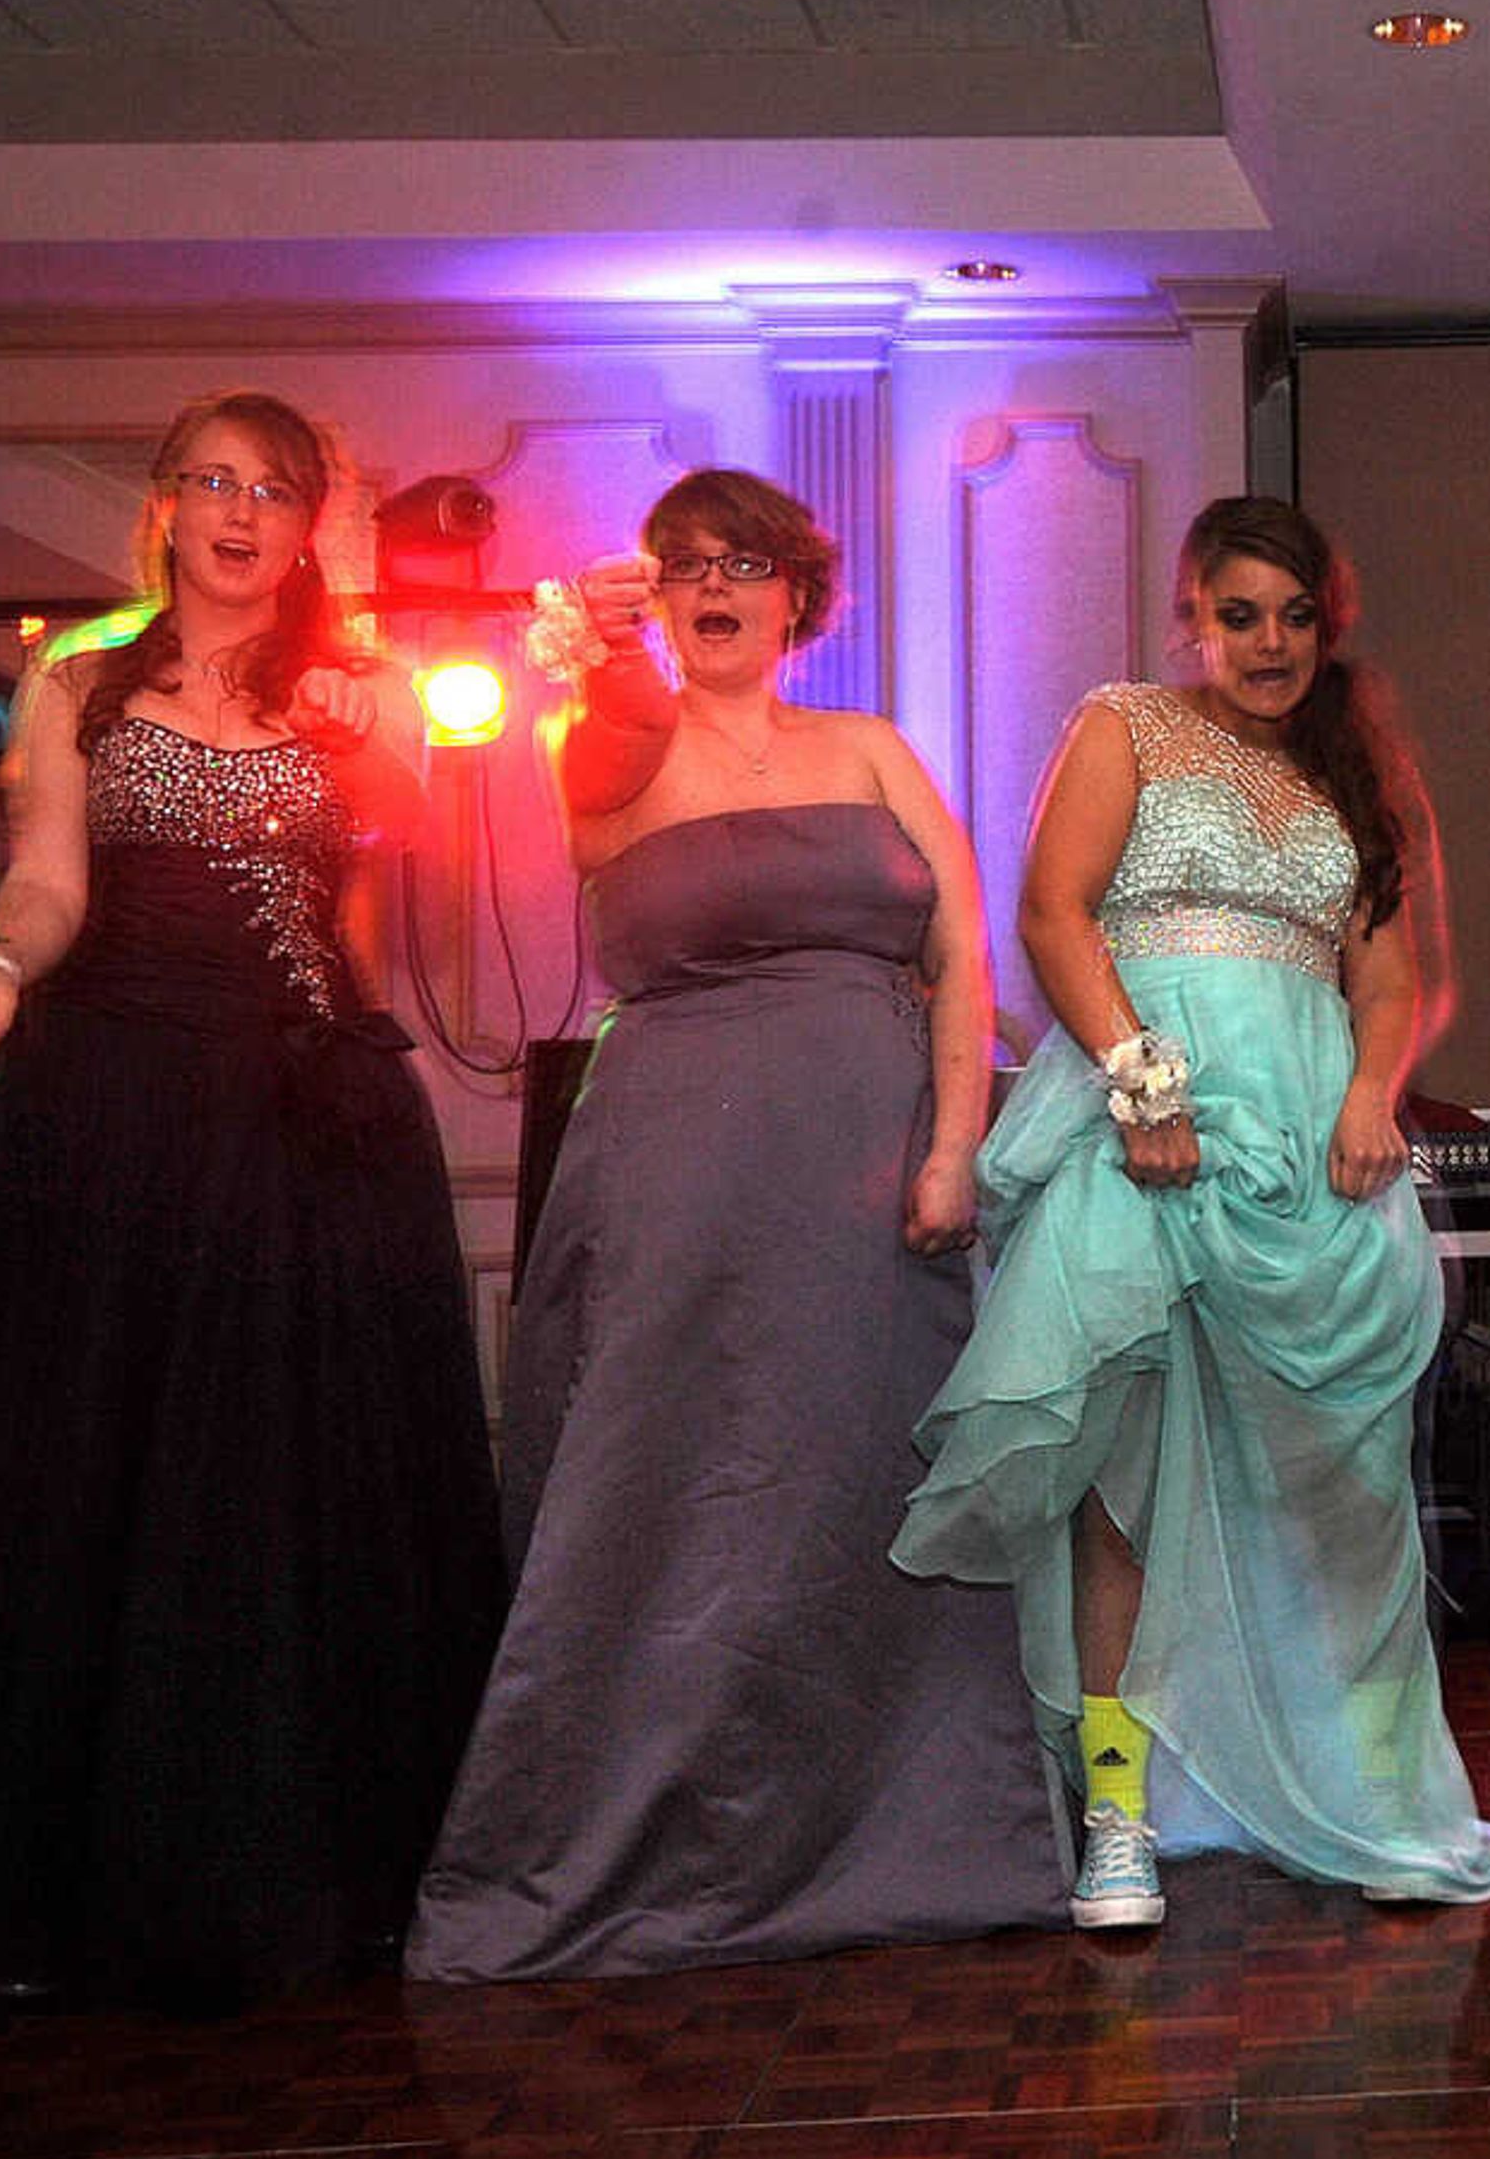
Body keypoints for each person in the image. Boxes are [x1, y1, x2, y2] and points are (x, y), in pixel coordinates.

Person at [0, 390, 504, 2011]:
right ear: (162, 505)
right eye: (210, 482)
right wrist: (2, 966)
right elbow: (48, 881)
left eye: (274, 491)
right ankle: (57, 1879)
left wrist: (377, 730)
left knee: (292, 1496)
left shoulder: (348, 687)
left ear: (310, 527)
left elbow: (406, 856)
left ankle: (326, 1866)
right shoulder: (77, 680)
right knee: (90, 1488)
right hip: (122, 1113)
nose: (238, 511)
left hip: (313, 1125)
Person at [408, 470, 1064, 1979]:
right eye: (687, 564)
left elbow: (961, 954)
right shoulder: (610, 740)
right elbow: (601, 784)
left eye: (748, 563)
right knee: (676, 1492)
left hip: (875, 1165)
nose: (718, 586)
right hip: (679, 1169)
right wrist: (600, 640)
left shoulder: (872, 747)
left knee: (864, 1477)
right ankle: (660, 1848)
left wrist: (955, 1146)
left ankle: (921, 1835)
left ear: (795, 596)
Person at [890, 495, 1490, 1929]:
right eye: (1241, 613)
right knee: (1118, 1483)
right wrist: (1138, 1081)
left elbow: (1387, 978)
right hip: (1144, 1129)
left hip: (1309, 1145)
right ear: (1193, 614)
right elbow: (1055, 911)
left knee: (1348, 1495)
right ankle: (1119, 1816)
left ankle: (1380, 1793)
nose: (1270, 643)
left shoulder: (1349, 771)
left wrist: (1375, 1095)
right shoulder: (1125, 723)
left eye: (1298, 617)